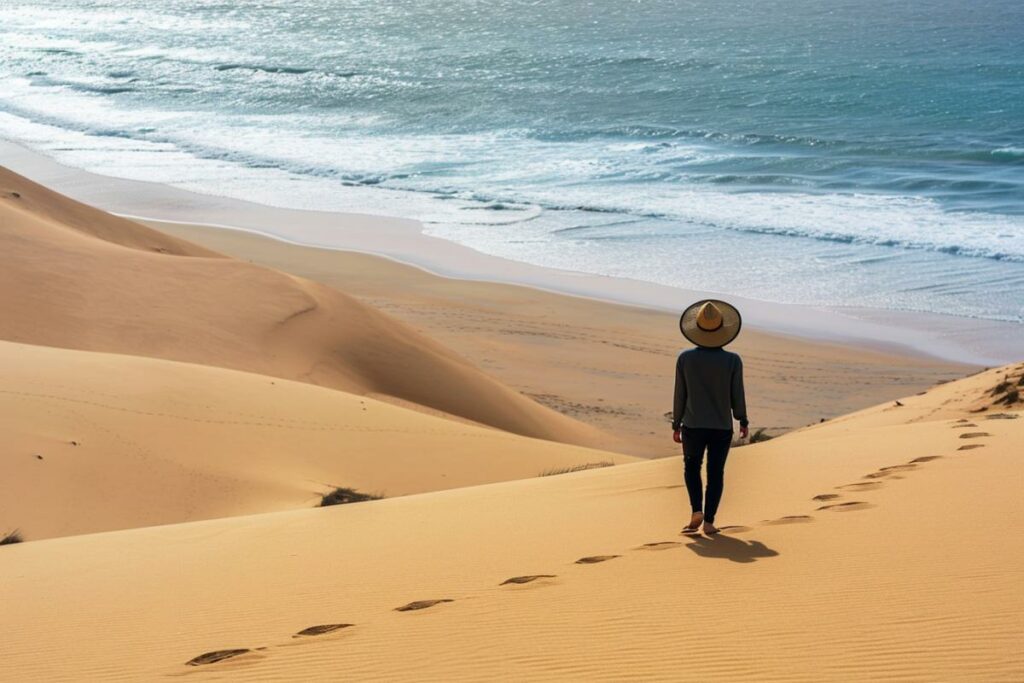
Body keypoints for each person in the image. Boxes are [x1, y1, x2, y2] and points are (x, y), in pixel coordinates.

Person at [671, 300, 749, 536]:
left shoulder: (685, 359)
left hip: (693, 425)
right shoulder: (733, 360)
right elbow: (737, 393)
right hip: (721, 427)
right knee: (716, 473)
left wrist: (676, 424)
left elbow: (680, 394)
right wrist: (742, 419)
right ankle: (710, 522)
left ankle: (696, 509)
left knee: (691, 468)